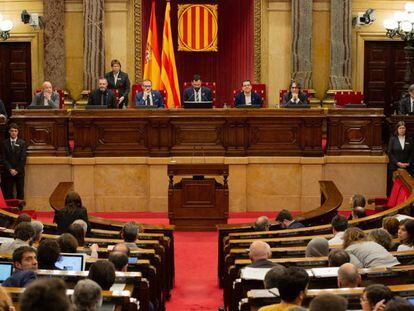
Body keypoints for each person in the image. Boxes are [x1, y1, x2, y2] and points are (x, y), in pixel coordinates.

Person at [387, 121, 414, 194]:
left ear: (405, 129)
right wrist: (397, 163)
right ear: (397, 129)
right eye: (400, 128)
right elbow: (389, 152)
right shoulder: (392, 139)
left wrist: (408, 163)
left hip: (407, 167)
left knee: (406, 188)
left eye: (403, 128)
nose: (402, 130)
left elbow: (412, 153)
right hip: (394, 167)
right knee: (394, 188)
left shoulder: (410, 139)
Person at [1, 123, 27, 200]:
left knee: (20, 191)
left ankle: (20, 207)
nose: (13, 133)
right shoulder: (4, 143)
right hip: (8, 172)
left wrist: (17, 170)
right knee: (8, 192)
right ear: (9, 131)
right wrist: (10, 169)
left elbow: (23, 159)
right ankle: (10, 208)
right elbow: (4, 158)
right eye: (12, 131)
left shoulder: (22, 143)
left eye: (15, 131)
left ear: (18, 132)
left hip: (19, 172)